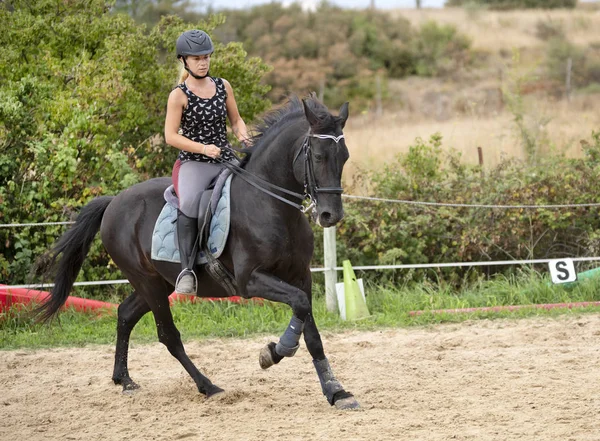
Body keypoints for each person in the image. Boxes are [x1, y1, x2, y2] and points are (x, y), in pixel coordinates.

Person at [164, 29, 252, 295]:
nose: (203, 62)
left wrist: (246, 139)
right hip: (193, 163)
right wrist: (203, 148)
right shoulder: (178, 95)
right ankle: (186, 271)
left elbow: (236, 121)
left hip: (224, 157)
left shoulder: (223, 86)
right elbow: (170, 136)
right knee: (190, 203)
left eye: (206, 57)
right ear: (184, 61)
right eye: (197, 58)